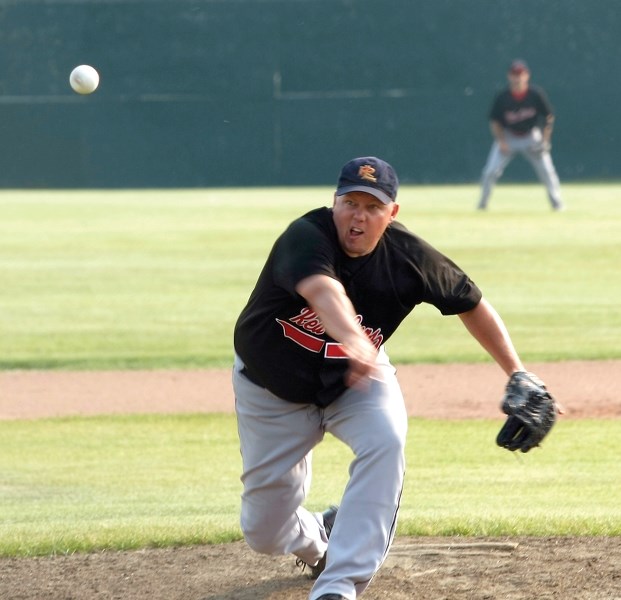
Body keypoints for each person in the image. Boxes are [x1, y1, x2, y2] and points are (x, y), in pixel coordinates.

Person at [233, 156, 533, 600]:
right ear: (333, 203)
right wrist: (353, 338)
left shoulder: (409, 256)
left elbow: (471, 303)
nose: (358, 215)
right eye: (350, 202)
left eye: (372, 207)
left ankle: (339, 585)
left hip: (359, 380)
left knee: (387, 439)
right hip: (271, 391)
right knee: (263, 531)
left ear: (392, 214)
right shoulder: (305, 237)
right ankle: (319, 540)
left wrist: (520, 374)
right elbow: (323, 290)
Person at [478, 59, 564, 211]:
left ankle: (557, 204)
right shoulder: (503, 97)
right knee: (490, 172)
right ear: (509, 76)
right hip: (508, 136)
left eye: (520, 74)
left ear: (527, 76)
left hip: (531, 136)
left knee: (547, 171)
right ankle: (482, 205)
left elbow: (549, 117)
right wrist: (501, 142)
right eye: (514, 74)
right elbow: (494, 121)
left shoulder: (535, 94)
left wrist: (545, 139)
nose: (517, 77)